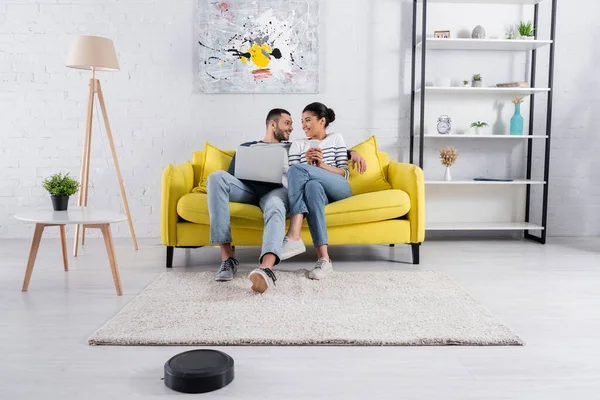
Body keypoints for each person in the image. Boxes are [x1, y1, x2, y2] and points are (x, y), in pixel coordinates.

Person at [207, 108, 366, 293]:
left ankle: (266, 268)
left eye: (292, 124)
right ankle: (228, 258)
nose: (292, 128)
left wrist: (351, 153)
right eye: (287, 123)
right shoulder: (246, 147)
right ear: (272, 124)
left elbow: (324, 147)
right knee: (215, 177)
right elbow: (232, 177)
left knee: (275, 207)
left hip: (276, 191)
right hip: (247, 189)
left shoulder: (292, 147)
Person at [279, 102, 352, 280]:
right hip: (317, 191)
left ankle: (293, 234)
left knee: (297, 170)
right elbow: (294, 181)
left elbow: (345, 173)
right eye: (302, 121)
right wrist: (307, 163)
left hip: (338, 187)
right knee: (310, 185)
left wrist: (321, 165)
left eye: (308, 120)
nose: (303, 125)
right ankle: (324, 260)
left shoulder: (336, 139)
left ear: (322, 121)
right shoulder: (297, 145)